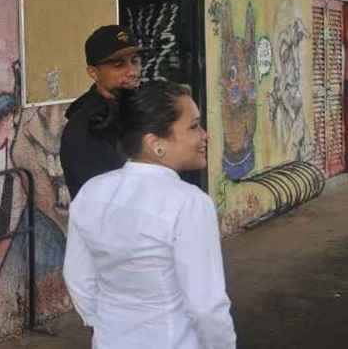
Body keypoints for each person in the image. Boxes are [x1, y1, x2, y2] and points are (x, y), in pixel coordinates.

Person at [63, 80, 236, 349]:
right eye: (194, 126)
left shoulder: (92, 192)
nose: (205, 135)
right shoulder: (189, 203)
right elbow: (206, 307)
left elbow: (78, 280)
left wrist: (110, 327)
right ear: (156, 143)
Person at [60, 25, 142, 199]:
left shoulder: (136, 108)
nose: (132, 72)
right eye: (119, 65)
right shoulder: (87, 125)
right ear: (94, 73)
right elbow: (102, 198)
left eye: (135, 61)